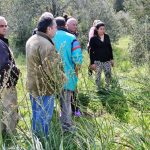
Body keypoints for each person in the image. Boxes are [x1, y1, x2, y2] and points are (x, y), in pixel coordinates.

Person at [26, 12, 64, 137]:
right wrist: (62, 80)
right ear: (49, 29)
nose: (56, 30)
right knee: (44, 117)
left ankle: (35, 139)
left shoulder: (31, 39)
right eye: (55, 28)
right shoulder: (46, 44)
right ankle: (42, 141)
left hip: (33, 85)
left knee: (36, 114)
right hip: (44, 88)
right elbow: (51, 69)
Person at [53, 17, 82, 131]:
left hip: (51, 76)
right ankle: (66, 127)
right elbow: (78, 59)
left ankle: (52, 126)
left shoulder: (49, 36)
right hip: (68, 76)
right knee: (66, 102)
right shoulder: (72, 38)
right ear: (65, 25)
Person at [0, 16, 19, 134]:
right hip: (6, 85)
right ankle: (10, 136)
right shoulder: (0, 44)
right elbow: (4, 65)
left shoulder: (2, 41)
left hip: (3, 84)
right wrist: (15, 73)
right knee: (10, 110)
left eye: (6, 25)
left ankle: (3, 135)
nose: (4, 28)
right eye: (1, 26)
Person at [89, 21, 114, 91]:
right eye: (101, 29)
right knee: (98, 76)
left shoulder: (106, 36)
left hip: (107, 60)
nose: (103, 30)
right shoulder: (93, 39)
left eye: (103, 29)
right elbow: (91, 51)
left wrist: (112, 59)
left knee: (108, 74)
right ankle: (98, 89)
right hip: (97, 60)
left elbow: (110, 48)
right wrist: (92, 63)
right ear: (97, 29)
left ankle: (107, 88)